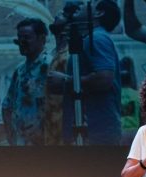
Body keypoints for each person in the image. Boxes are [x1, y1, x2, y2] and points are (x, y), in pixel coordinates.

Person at [47, 0, 122, 145]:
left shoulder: (97, 38)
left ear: (98, 12)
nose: (80, 4)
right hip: (89, 132)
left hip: (96, 133)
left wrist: (65, 81)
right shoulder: (89, 39)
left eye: (88, 3)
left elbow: (104, 79)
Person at [2, 18, 52, 146]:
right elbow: (7, 106)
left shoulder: (51, 65)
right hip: (21, 142)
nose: (22, 42)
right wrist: (11, 136)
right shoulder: (19, 71)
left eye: (27, 37)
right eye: (19, 37)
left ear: (42, 39)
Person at [44, 14, 70, 146]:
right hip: (50, 119)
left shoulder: (71, 54)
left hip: (64, 119)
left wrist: (65, 81)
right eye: (54, 29)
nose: (57, 33)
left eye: (59, 28)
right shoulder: (52, 54)